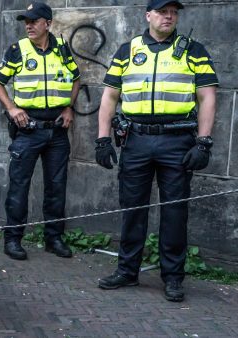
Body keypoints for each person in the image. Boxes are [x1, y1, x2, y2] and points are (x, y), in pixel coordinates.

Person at [94, 0, 218, 302]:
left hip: (177, 142)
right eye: (163, 11)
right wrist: (102, 139)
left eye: (174, 12)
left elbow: (208, 97)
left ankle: (173, 278)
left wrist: (203, 142)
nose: (169, 16)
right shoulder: (128, 50)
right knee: (132, 208)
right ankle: (127, 271)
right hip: (136, 140)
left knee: (175, 212)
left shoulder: (194, 50)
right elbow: (110, 95)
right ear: (148, 15)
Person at [0, 2, 80, 260]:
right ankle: (13, 239)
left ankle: (53, 238)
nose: (29, 25)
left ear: (48, 24)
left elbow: (75, 79)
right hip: (28, 130)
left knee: (56, 186)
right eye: (26, 21)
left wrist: (69, 108)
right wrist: (11, 108)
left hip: (57, 130)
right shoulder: (18, 50)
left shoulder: (62, 49)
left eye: (34, 20)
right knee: (19, 186)